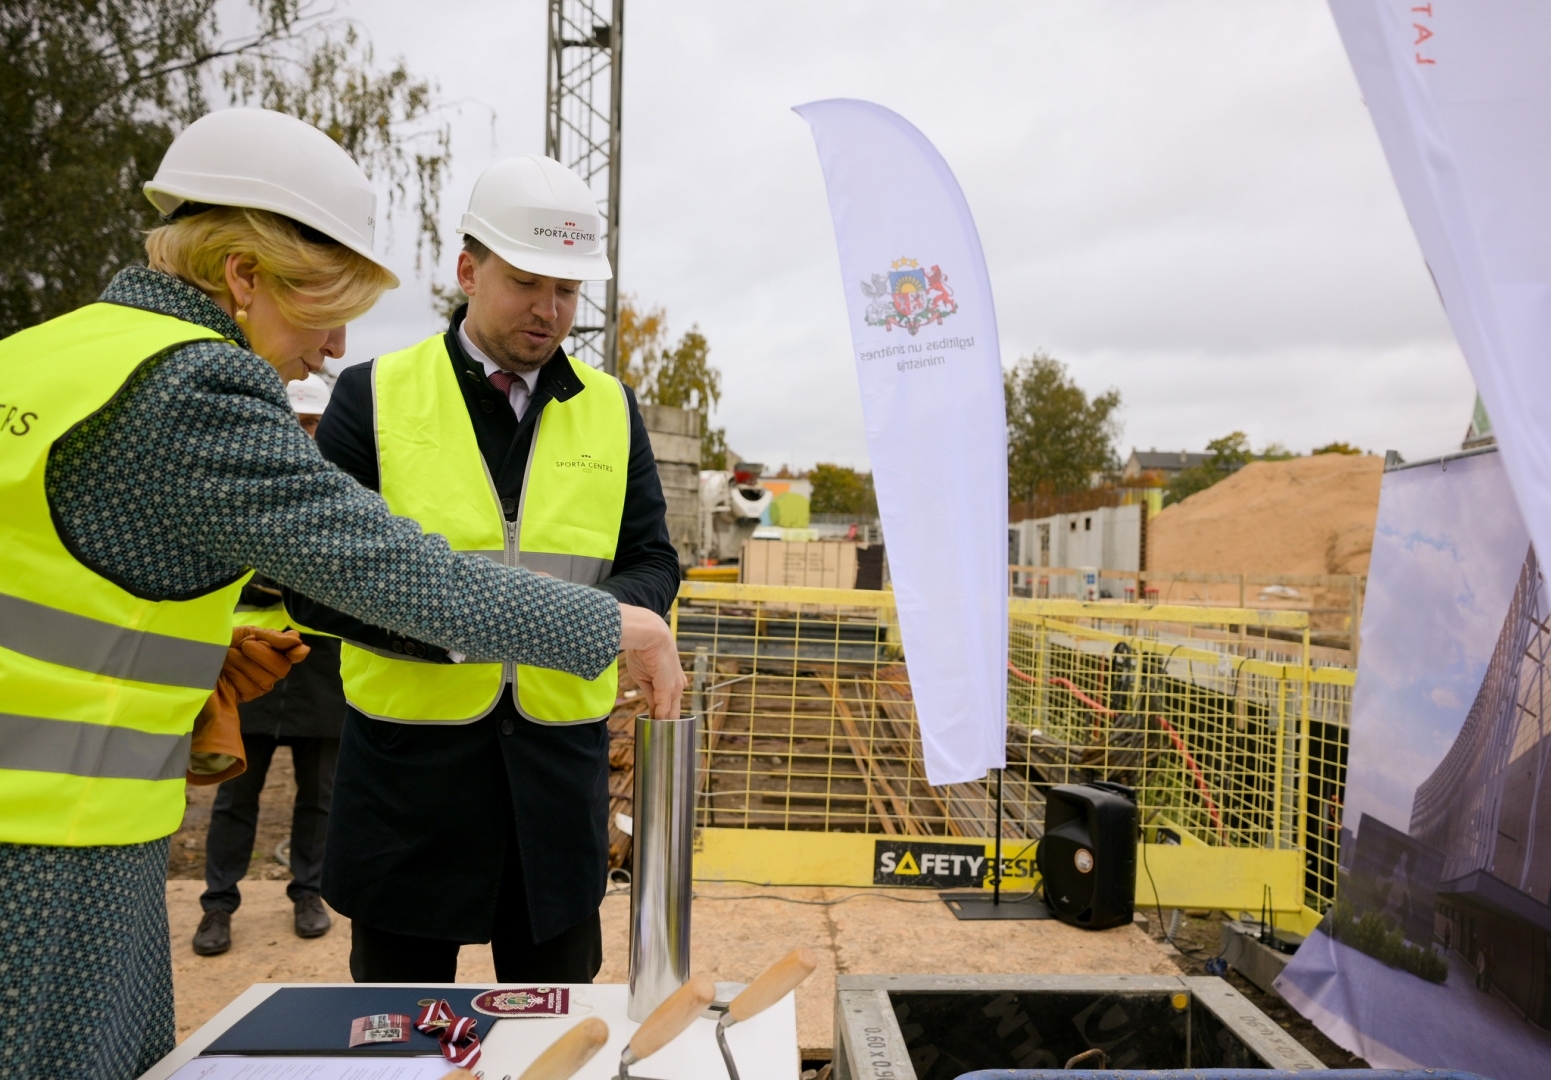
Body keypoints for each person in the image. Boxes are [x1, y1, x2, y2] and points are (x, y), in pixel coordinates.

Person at [0, 109, 683, 1080]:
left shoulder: (40, 355)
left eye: (567, 290)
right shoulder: (199, 389)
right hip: (52, 842)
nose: (331, 346)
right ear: (243, 274)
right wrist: (613, 626)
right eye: (325, 302)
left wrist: (181, 666)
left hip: (546, 794)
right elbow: (396, 576)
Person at [284, 155, 683, 985]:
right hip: (409, 781)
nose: (549, 310)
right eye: (527, 282)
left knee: (551, 1028)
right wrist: (466, 637)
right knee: (399, 1037)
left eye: (568, 291)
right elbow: (315, 584)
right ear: (469, 271)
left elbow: (651, 559)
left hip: (554, 784)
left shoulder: (609, 408)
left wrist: (600, 618)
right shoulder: (375, 393)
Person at [192, 376, 347, 956]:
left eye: (315, 423)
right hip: (249, 658)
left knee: (319, 794)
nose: (307, 433)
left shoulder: (343, 488)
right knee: (236, 792)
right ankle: (218, 906)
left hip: (319, 665)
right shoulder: (242, 481)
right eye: (298, 421)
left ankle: (308, 893)